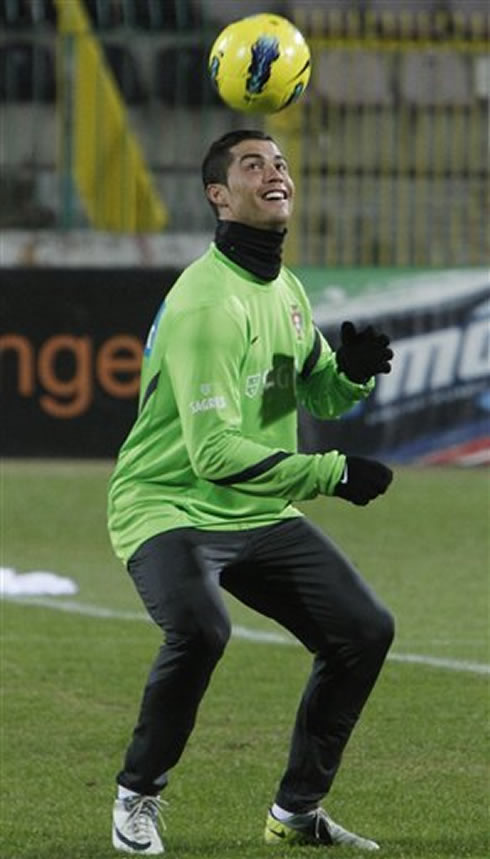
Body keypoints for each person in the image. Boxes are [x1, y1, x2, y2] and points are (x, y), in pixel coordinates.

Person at [107, 129, 395, 855]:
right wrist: (330, 473)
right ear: (218, 194)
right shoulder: (208, 303)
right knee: (202, 628)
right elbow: (210, 453)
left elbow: (321, 395)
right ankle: (135, 797)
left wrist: (353, 371)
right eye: (252, 164)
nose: (276, 172)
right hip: (166, 504)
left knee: (364, 630)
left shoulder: (284, 288)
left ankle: (296, 813)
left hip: (255, 511)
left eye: (281, 162)